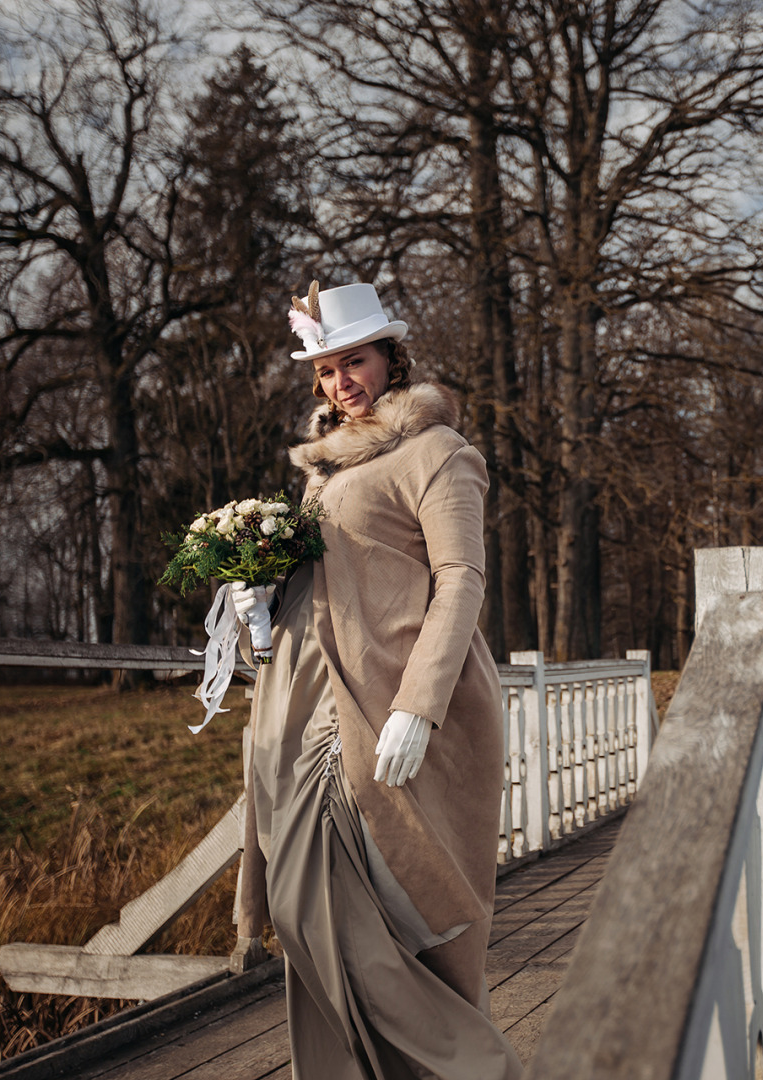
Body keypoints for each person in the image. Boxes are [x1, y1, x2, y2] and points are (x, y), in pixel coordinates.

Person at [229, 281, 522, 1080]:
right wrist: (261, 598)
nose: (338, 383)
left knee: (342, 910)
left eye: (351, 361)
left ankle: (481, 1070)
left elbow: (461, 579)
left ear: (391, 358)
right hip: (300, 702)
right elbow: (330, 588)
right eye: (323, 370)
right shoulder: (324, 469)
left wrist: (417, 709)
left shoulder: (439, 453)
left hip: (377, 706)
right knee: (302, 915)